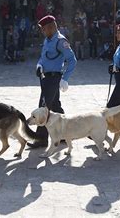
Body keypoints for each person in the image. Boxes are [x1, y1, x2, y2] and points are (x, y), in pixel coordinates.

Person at [28, 15, 77, 148]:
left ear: (51, 27)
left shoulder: (60, 41)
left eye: (43, 29)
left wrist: (65, 79)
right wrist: (39, 66)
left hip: (54, 79)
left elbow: (72, 60)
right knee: (55, 107)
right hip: (45, 78)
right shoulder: (47, 40)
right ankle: (65, 134)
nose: (42, 31)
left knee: (43, 108)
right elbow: (43, 58)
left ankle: (41, 139)